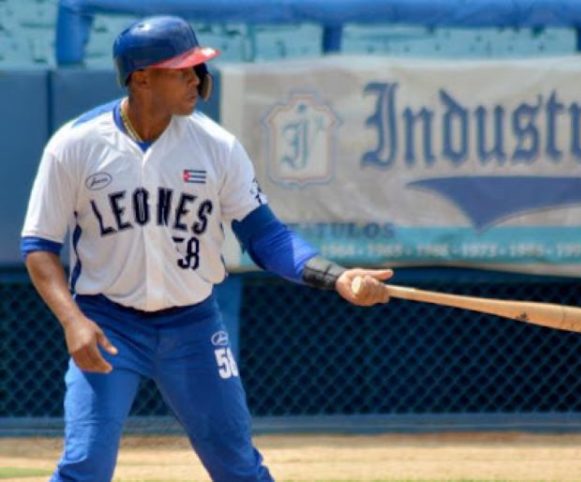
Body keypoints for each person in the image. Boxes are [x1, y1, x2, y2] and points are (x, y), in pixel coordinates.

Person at [21, 15, 392, 482]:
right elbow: (39, 247)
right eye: (181, 70)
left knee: (238, 467)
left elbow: (266, 236)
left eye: (197, 68)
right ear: (141, 77)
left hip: (192, 326)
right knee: (85, 466)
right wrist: (72, 320)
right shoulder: (75, 145)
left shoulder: (217, 146)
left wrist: (334, 275)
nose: (196, 79)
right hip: (108, 324)